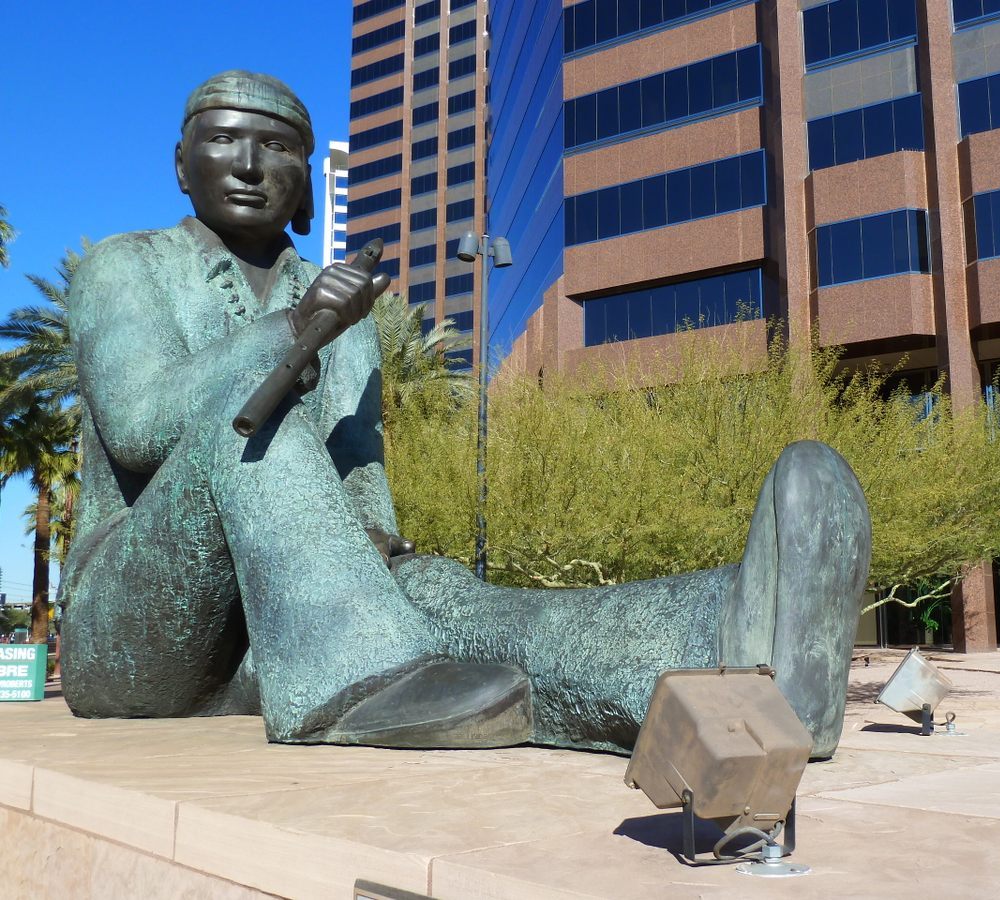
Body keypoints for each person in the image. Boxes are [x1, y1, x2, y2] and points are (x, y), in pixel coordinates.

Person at [62, 71, 871, 758]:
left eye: (276, 147)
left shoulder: (347, 303)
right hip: (134, 643)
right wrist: (295, 328)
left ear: (305, 178)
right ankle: (354, 686)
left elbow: (358, 485)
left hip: (292, 620)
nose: (248, 164)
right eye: (224, 140)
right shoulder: (123, 269)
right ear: (181, 163)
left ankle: (727, 650)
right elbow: (138, 427)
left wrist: (399, 571)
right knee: (239, 438)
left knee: (469, 616)